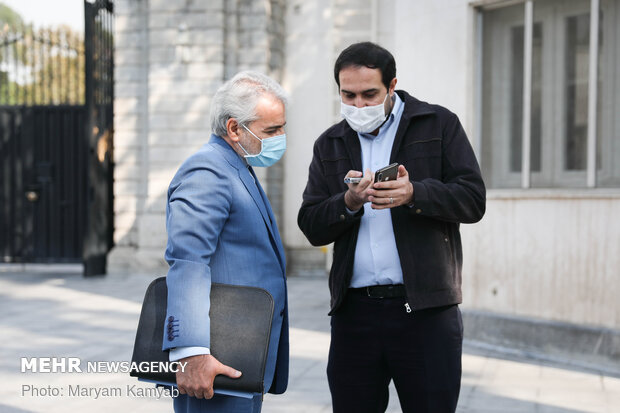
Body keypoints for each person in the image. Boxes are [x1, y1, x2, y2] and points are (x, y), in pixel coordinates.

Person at [297, 42, 486, 413]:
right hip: (355, 316)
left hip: (426, 311)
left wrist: (414, 193)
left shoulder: (438, 124)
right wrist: (349, 203)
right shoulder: (329, 143)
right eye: (348, 95)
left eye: (370, 94)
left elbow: (473, 199)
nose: (359, 105)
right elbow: (311, 224)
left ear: (392, 86)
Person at [163, 71, 289, 413]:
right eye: (272, 131)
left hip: (240, 351)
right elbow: (188, 262)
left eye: (282, 127)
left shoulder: (235, 165)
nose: (281, 137)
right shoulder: (208, 171)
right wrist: (191, 352)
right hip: (213, 358)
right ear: (234, 129)